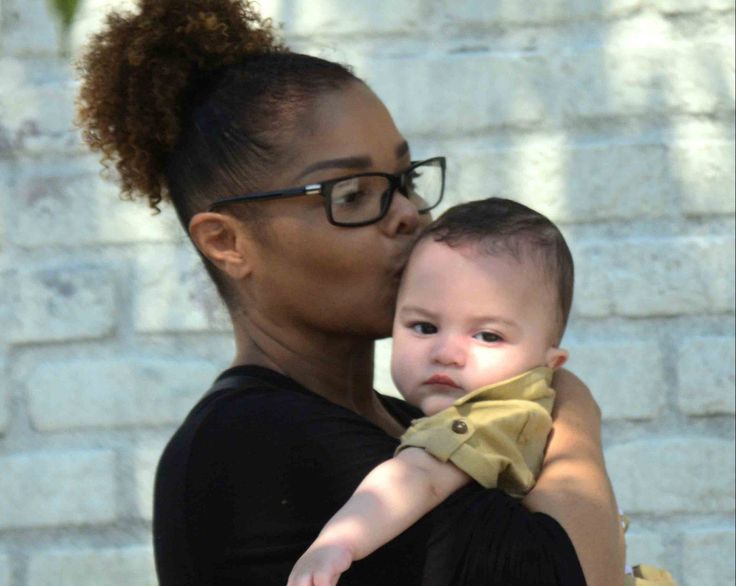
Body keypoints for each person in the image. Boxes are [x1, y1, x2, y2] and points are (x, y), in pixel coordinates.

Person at [75, 1, 624, 584]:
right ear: (227, 242)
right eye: (355, 194)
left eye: (405, 181)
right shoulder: (254, 439)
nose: (410, 214)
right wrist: (571, 407)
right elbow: (578, 575)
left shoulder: (407, 418)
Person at [288, 199, 678, 586]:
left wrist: (338, 542)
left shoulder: (496, 412)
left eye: (488, 336)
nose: (447, 354)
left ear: (551, 364)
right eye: (424, 327)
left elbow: (419, 476)